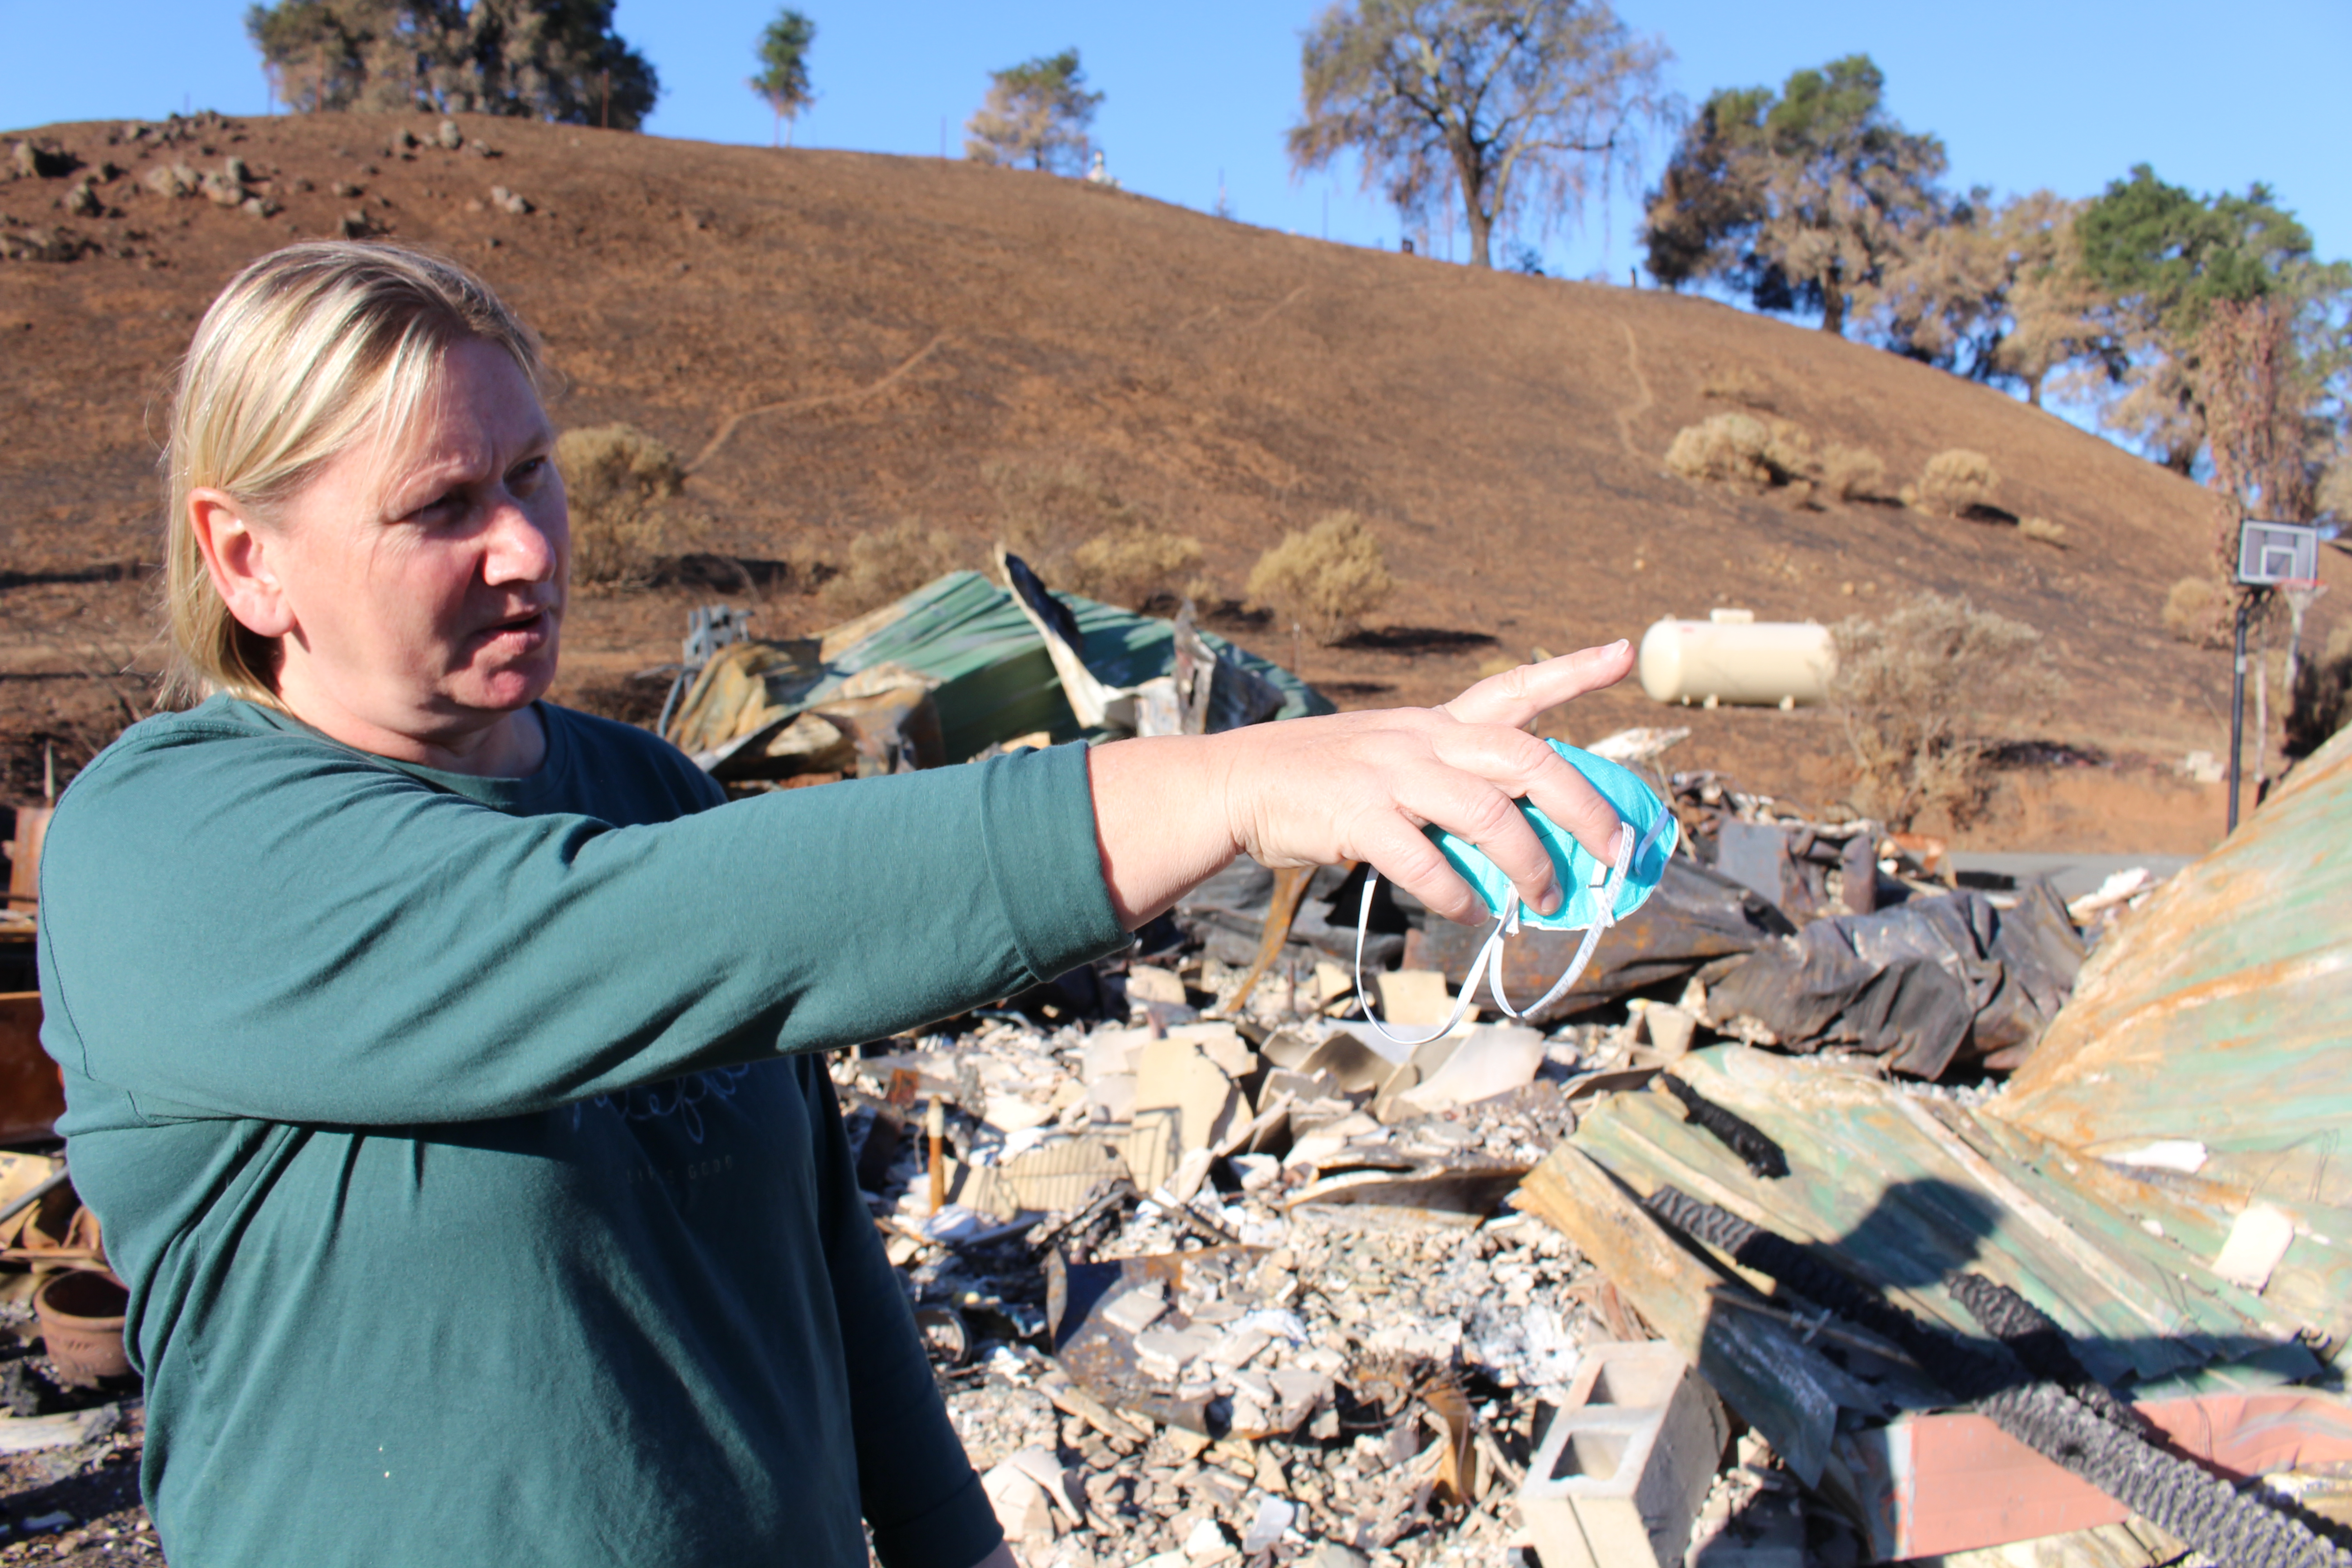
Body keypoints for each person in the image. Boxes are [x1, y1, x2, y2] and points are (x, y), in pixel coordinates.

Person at [36, 242, 1632, 1568]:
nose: (527, 544)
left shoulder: (645, 790)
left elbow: (806, 1239)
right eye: (442, 505)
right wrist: (1225, 783)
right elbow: (643, 928)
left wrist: (950, 1535)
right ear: (248, 560)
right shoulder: (168, 848)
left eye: (534, 473)